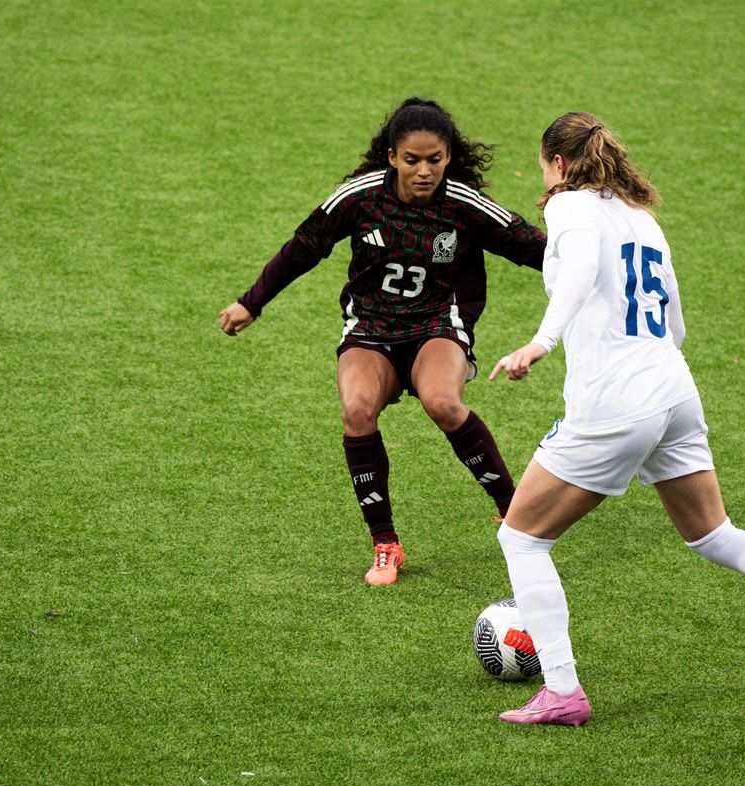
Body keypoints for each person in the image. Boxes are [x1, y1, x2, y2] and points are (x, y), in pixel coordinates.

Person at [486, 112, 745, 726]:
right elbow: (676, 323)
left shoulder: (568, 207)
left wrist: (541, 342)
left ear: (558, 165)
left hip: (615, 402)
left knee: (522, 537)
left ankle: (561, 691)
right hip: (673, 389)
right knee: (713, 533)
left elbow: (583, 268)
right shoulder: (643, 221)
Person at [219, 97, 546, 586]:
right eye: (411, 160)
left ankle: (513, 514)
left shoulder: (463, 205)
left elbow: (532, 247)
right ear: (392, 156)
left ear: (448, 157)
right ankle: (385, 544)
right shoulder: (359, 198)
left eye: (434, 160)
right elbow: (304, 246)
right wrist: (252, 301)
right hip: (370, 328)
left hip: (437, 324)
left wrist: (595, 273)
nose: (423, 171)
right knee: (356, 410)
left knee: (443, 402)